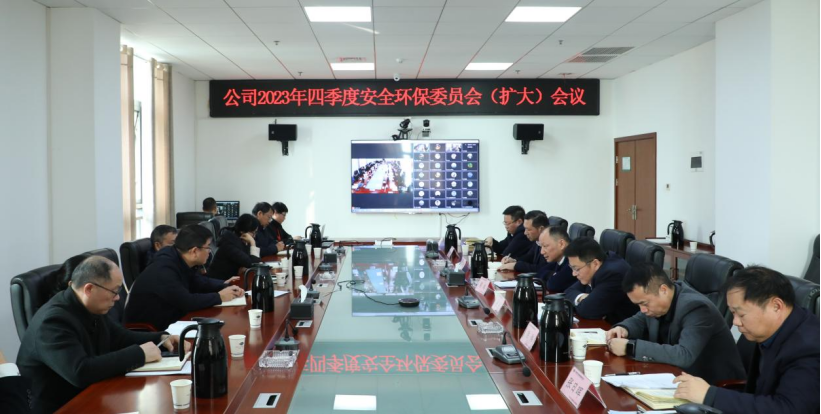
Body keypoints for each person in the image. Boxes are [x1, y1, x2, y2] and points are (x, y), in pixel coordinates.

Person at [16, 256, 185, 414]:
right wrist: (140, 354)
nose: (117, 298)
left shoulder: (89, 306)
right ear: (89, 289)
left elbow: (119, 337)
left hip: (89, 394)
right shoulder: (52, 322)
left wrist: (161, 338)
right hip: (60, 407)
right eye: (114, 291)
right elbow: (80, 372)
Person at [674, 266, 820, 413]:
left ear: (776, 306)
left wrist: (710, 395)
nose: (735, 322)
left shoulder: (808, 348)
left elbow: (789, 409)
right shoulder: (776, 329)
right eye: (733, 313)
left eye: (741, 314)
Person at [606, 263, 745, 385]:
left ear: (663, 290)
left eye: (644, 303)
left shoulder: (696, 307)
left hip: (713, 386)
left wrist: (630, 347)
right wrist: (623, 328)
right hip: (674, 376)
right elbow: (639, 320)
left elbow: (684, 355)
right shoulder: (658, 304)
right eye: (638, 305)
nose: (642, 310)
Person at [124, 225, 244, 331]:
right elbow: (186, 301)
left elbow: (198, 282)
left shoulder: (178, 258)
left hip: (173, 318)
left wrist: (224, 285)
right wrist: (219, 297)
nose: (209, 251)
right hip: (150, 331)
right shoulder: (164, 269)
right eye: (208, 247)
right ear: (194, 251)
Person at [564, 237, 638, 324]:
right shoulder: (598, 266)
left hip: (623, 328)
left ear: (595, 264)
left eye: (576, 269)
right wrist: (581, 297)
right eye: (572, 268)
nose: (573, 274)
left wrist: (586, 302)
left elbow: (588, 310)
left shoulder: (613, 275)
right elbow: (567, 292)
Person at [208, 214, 263, 281]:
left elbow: (254, 262)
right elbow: (253, 264)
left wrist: (247, 267)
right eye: (252, 232)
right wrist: (253, 243)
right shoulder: (229, 243)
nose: (254, 236)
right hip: (219, 282)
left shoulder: (241, 240)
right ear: (242, 231)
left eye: (255, 232)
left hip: (231, 279)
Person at [538, 226, 576, 292]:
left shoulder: (574, 259)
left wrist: (552, 275)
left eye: (545, 246)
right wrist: (553, 274)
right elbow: (539, 272)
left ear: (561, 244)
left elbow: (553, 284)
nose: (542, 252)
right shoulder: (557, 258)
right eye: (541, 247)